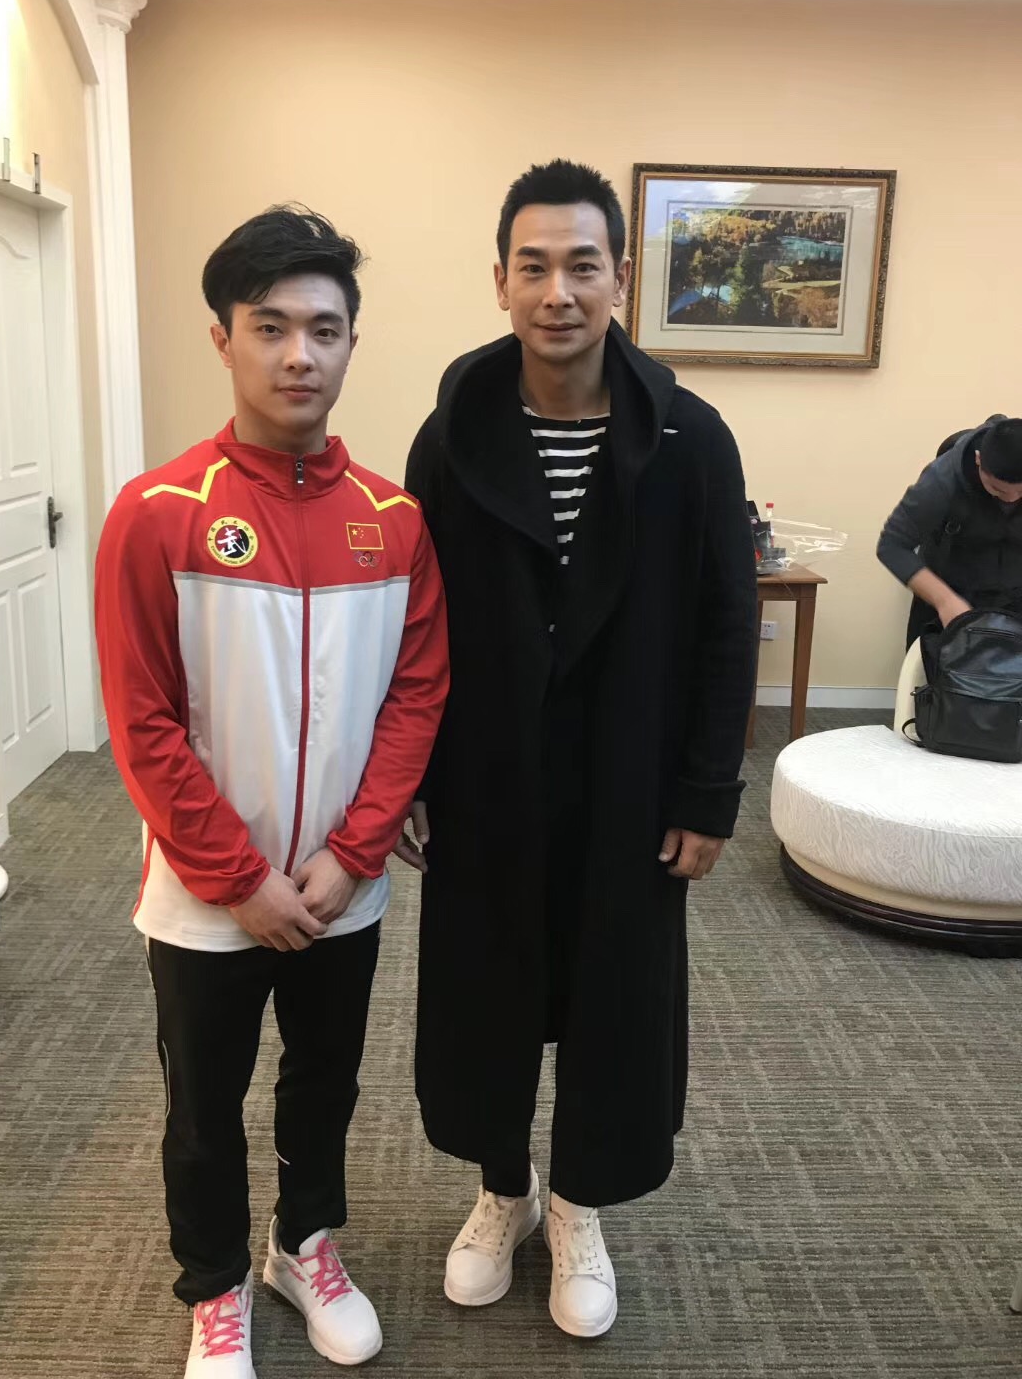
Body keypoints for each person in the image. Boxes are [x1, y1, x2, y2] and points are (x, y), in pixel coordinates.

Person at [398, 160, 758, 1338]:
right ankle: (503, 1191)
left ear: (622, 278)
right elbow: (412, 622)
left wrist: (707, 791)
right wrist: (405, 777)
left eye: (583, 266)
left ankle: (579, 1205)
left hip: (631, 778)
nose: (559, 292)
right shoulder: (451, 437)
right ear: (500, 281)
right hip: (484, 776)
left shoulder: (691, 440)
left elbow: (726, 625)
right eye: (535, 266)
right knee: (486, 991)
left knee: (615, 997)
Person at [95, 206, 448, 1378]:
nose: (300, 355)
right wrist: (238, 879)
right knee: (204, 1104)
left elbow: (416, 698)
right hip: (206, 900)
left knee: (325, 1082)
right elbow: (143, 723)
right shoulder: (158, 515)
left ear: (351, 344)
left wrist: (352, 855)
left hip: (342, 887)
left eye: (325, 330)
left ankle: (303, 1247)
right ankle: (213, 1290)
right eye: (271, 327)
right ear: (224, 339)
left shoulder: (395, 523)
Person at [877, 415, 1022, 649]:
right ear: (978, 460)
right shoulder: (942, 480)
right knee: (938, 669)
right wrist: (945, 601)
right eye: (998, 489)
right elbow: (892, 545)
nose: (1012, 500)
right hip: (951, 594)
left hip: (1015, 598)